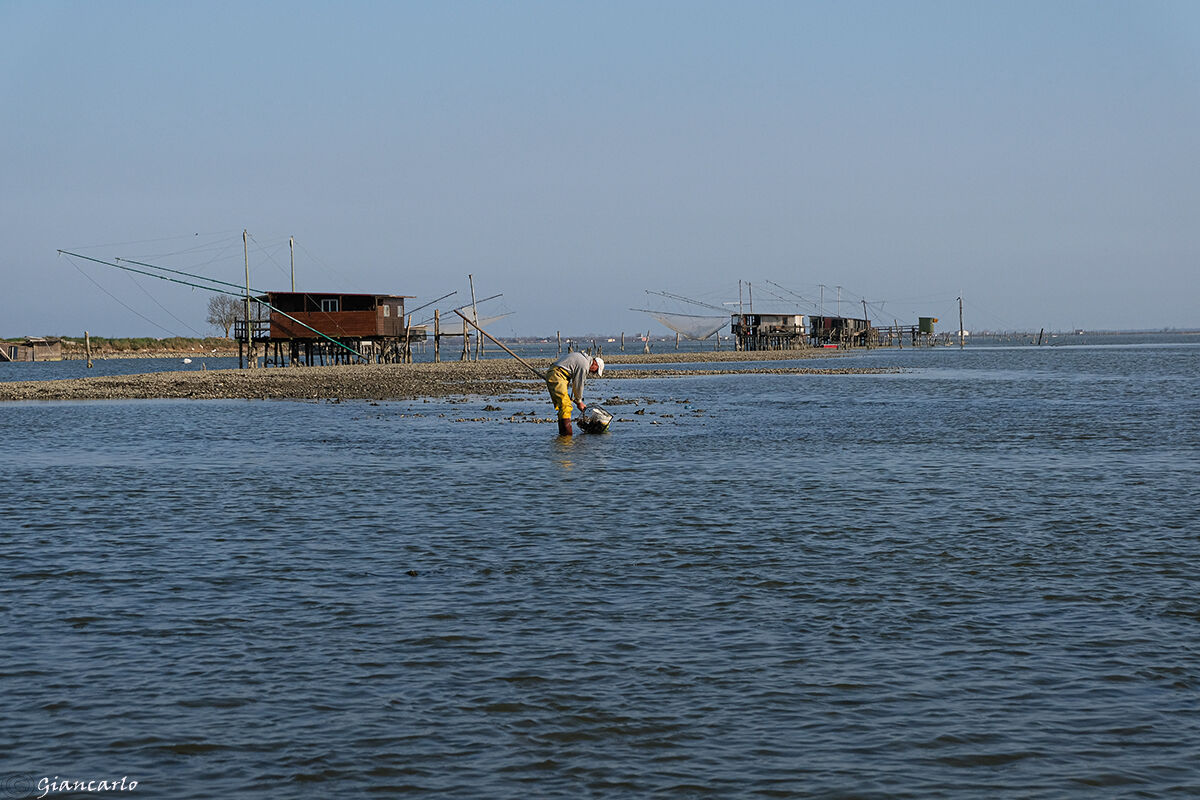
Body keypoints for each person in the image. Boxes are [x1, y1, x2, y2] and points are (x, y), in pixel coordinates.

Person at [546, 351, 603, 435]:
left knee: (563, 406)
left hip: (557, 374)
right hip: (558, 375)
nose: (593, 373)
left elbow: (575, 385)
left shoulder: (582, 359)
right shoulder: (584, 365)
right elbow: (578, 384)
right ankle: (567, 438)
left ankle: (562, 438)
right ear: (595, 364)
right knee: (566, 406)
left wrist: (577, 399)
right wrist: (579, 401)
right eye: (596, 371)